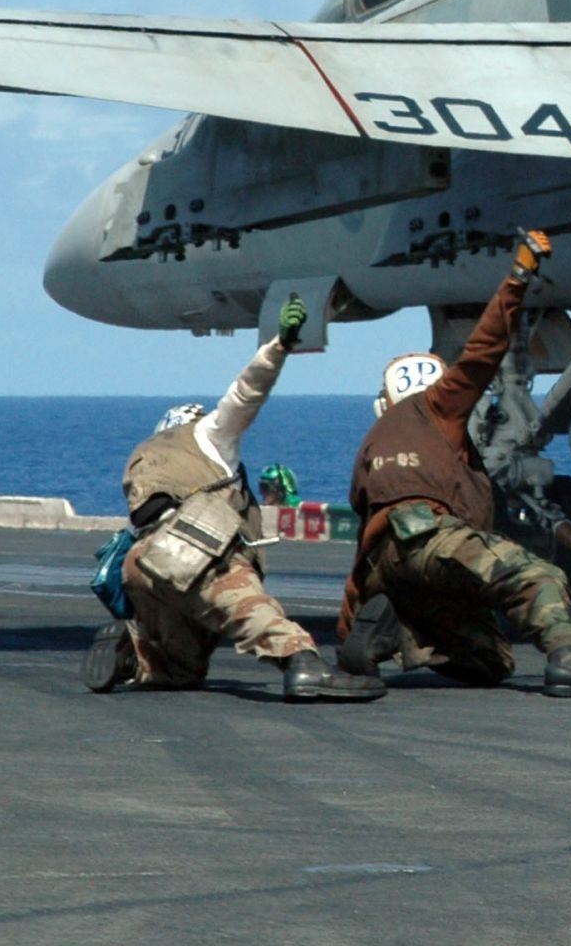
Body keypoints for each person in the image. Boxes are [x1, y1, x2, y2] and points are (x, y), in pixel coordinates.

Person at [337, 231, 571, 697]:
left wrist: (347, 640)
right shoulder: (438, 406)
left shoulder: (371, 444)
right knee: (540, 575)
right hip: (434, 543)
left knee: (492, 662)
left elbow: (363, 545)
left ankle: (386, 626)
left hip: (387, 568)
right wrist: (519, 275)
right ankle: (568, 658)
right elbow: (484, 351)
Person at [82, 296, 385, 702]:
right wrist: (280, 344)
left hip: (141, 567)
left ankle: (131, 657)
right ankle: (304, 666)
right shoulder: (208, 435)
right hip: (191, 548)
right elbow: (246, 392)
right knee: (248, 606)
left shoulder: (143, 454)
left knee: (180, 666)